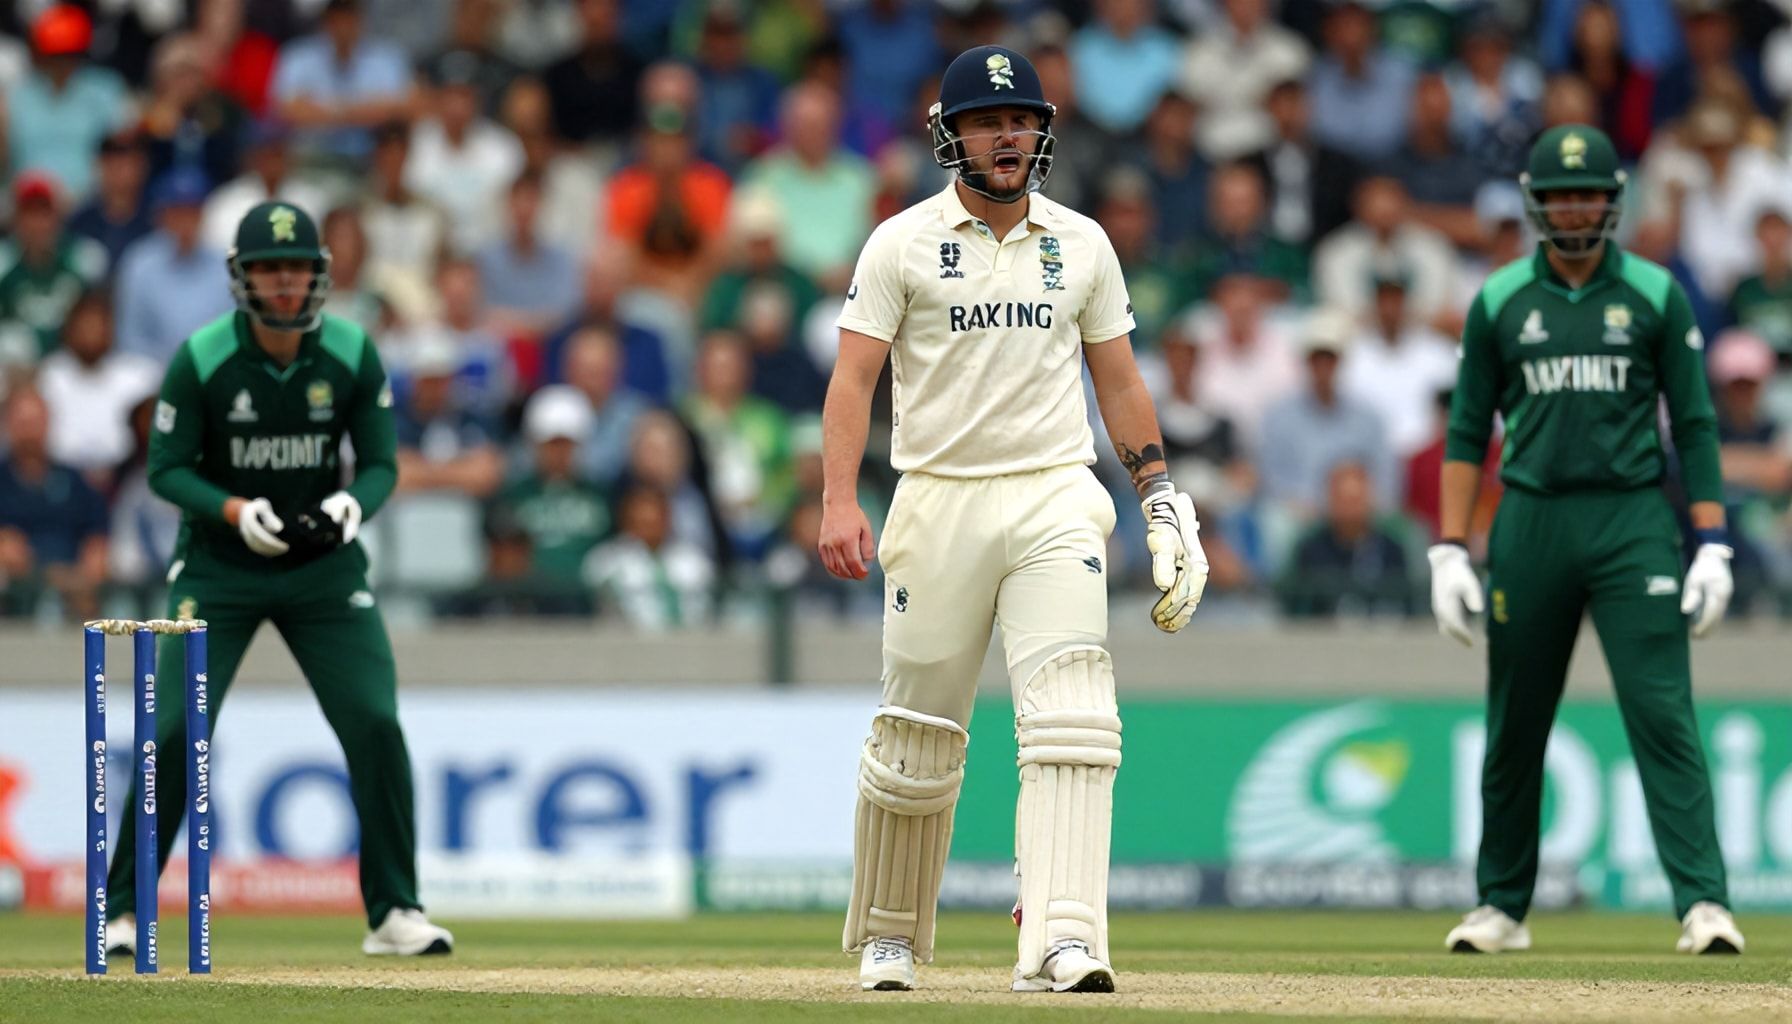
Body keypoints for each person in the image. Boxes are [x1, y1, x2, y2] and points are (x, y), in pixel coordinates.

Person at [818, 45, 1208, 995]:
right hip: (937, 495)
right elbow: (854, 379)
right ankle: (891, 938)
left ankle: (1063, 937)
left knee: (1075, 719)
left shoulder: (1083, 243)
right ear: (952, 137)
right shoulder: (900, 243)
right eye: (991, 122)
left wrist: (1158, 493)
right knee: (917, 735)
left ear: (1044, 132)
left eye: (1024, 120)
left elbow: (1117, 379)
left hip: (1052, 494)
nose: (1010, 136)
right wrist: (837, 497)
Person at [101, 201, 453, 959]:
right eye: (270, 268)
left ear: (319, 275)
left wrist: (351, 506)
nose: (287, 283)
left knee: (376, 722)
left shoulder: (354, 351)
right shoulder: (201, 358)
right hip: (219, 569)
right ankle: (124, 911)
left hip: (323, 569)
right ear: (244, 277)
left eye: (298, 268)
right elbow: (165, 470)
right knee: (172, 729)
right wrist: (234, 509)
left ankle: (394, 910)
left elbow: (385, 464)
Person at [1430, 124, 1744, 957]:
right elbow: (1466, 436)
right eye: (1561, 193)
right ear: (1536, 203)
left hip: (1632, 518)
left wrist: (1711, 541)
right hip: (1531, 517)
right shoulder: (1500, 299)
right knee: (1515, 722)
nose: (1575, 207)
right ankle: (1501, 905)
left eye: (1590, 193)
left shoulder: (1653, 292)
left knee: (1663, 714)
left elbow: (1699, 424)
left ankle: (1704, 903)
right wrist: (1449, 547)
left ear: (1613, 201)